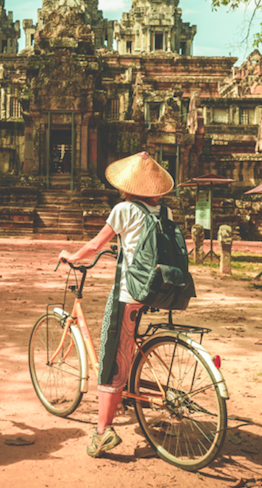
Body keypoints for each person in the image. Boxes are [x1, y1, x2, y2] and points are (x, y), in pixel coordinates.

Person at [58, 150, 174, 458]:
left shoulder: (124, 209)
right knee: (129, 344)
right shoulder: (166, 213)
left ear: (127, 184)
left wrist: (72, 256)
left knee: (112, 357)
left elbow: (97, 244)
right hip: (161, 288)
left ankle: (101, 433)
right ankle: (129, 389)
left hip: (131, 290)